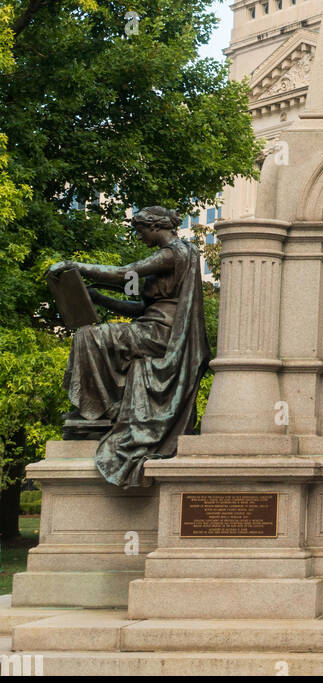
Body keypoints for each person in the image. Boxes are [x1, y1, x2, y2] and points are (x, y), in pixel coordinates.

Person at [48, 205, 210, 488]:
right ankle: (99, 410)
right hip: (150, 327)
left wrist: (77, 267)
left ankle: (100, 410)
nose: (139, 237)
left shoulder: (174, 253)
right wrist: (99, 299)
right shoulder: (170, 257)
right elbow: (140, 308)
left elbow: (125, 273)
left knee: (88, 336)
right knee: (91, 334)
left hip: (163, 335)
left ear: (155, 227)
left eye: (141, 231)